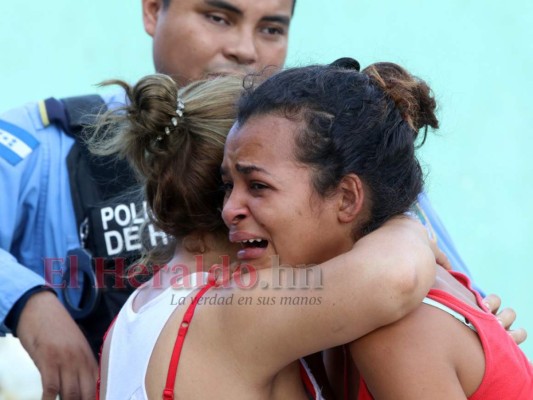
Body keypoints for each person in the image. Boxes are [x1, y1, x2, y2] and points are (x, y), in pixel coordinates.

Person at [0, 1, 296, 399]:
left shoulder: (312, 147)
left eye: (272, 29)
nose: (245, 49)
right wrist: (28, 303)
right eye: (218, 18)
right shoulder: (52, 140)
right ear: (154, 10)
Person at [94, 72, 439, 399]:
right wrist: (405, 223)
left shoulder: (136, 313)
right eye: (255, 184)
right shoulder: (238, 308)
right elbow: (398, 278)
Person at [221, 59, 533, 399]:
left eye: (257, 186)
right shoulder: (337, 313)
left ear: (346, 198)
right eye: (227, 186)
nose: (228, 210)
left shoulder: (396, 334)